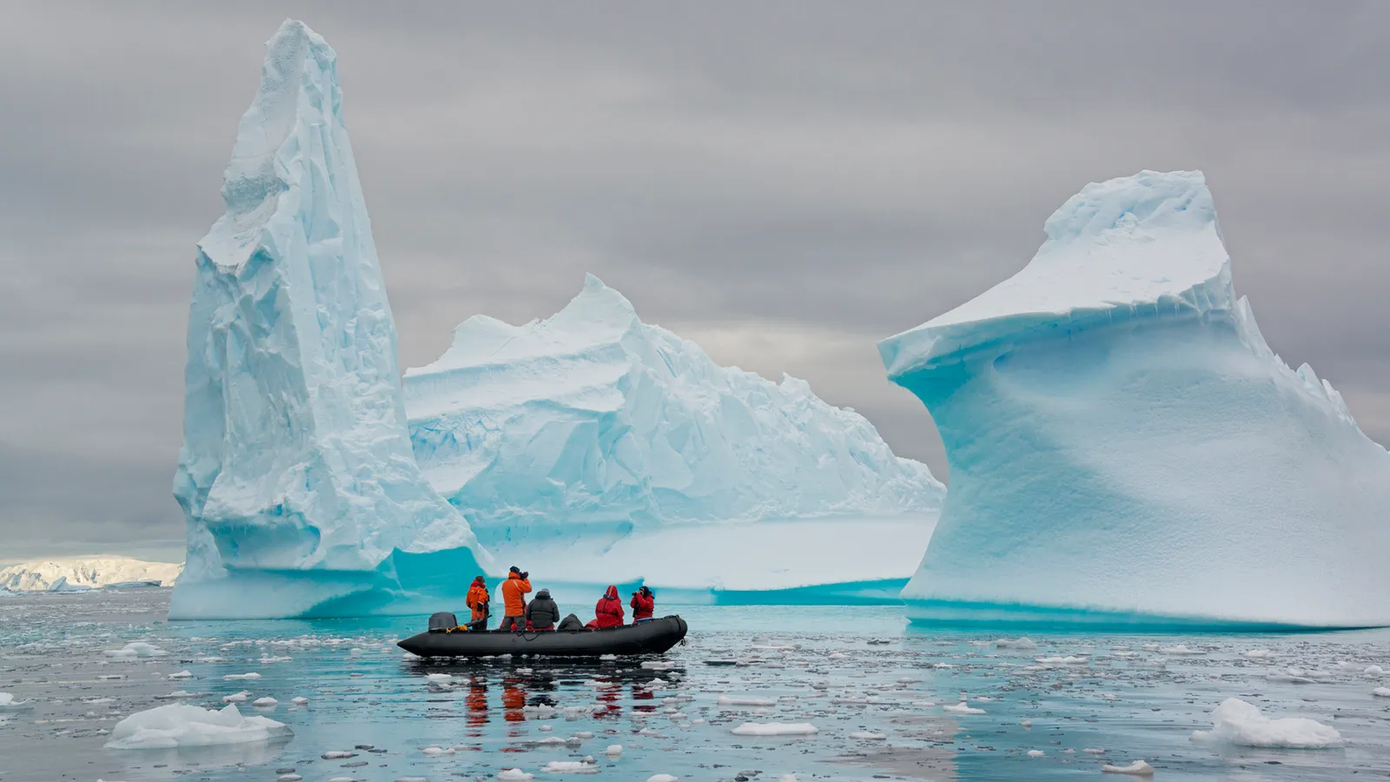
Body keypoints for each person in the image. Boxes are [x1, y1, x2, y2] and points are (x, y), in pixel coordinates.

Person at [498, 566, 531, 632]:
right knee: (521, 630)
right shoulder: (518, 583)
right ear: (517, 573)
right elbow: (528, 589)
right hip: (518, 611)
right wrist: (525, 579)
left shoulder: (505, 583)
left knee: (505, 630)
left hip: (508, 611)